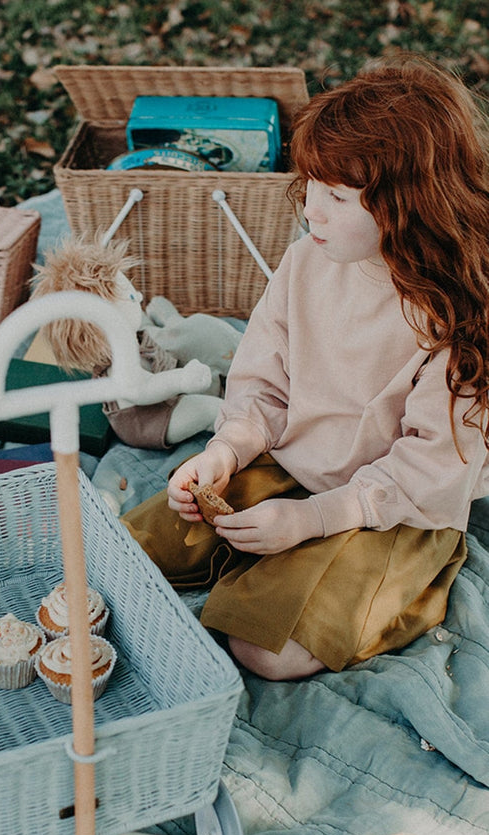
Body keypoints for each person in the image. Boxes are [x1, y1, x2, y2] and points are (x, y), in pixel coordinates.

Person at [123, 57, 489, 681]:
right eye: (310, 185)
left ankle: (406, 589)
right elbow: (261, 383)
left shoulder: (458, 319)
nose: (310, 211)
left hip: (393, 510)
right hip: (290, 466)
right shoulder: (305, 264)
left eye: (337, 197)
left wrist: (313, 520)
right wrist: (227, 452)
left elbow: (430, 470)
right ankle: (266, 561)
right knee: (126, 554)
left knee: (266, 649)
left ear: (410, 205)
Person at [33, 233, 240, 449]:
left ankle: (171, 322)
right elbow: (143, 389)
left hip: (153, 369)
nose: (139, 296)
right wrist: (182, 379)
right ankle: (244, 425)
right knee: (206, 409)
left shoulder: (124, 334)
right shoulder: (122, 364)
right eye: (132, 297)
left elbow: (137, 327)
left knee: (166, 332)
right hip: (152, 416)